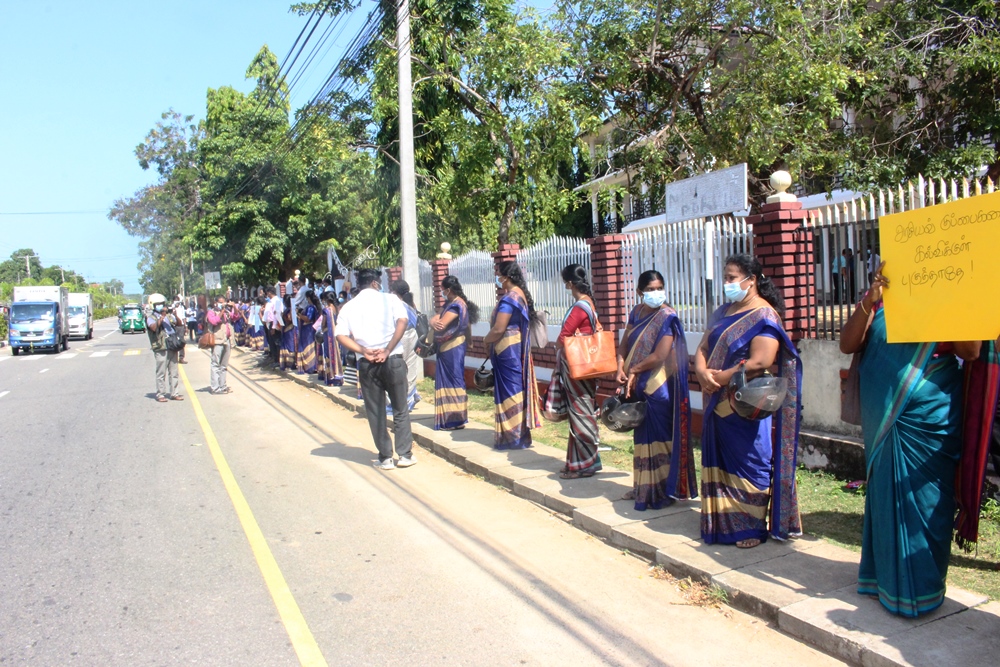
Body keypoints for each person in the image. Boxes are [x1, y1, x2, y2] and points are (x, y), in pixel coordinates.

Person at [840, 263, 983, 617]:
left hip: (931, 415)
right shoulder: (883, 300)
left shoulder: (951, 297)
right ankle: (883, 581)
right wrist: (869, 301)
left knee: (927, 498)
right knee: (886, 494)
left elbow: (971, 352)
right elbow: (847, 343)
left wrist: (949, 304)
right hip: (884, 416)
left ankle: (923, 588)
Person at [695, 254, 802, 548]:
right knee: (721, 460)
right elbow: (703, 347)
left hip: (745, 403)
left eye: (732, 278)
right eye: (726, 277)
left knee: (750, 461)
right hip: (717, 399)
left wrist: (721, 377)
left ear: (751, 281)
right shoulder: (723, 311)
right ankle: (722, 523)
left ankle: (751, 527)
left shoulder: (764, 316)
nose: (727, 283)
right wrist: (702, 370)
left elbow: (760, 360)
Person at [614, 270, 696, 508]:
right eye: (650, 289)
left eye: (659, 287)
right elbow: (624, 345)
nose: (655, 293)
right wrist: (620, 366)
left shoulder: (667, 316)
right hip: (636, 384)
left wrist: (634, 369)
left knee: (659, 438)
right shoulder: (636, 312)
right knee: (641, 437)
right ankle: (642, 486)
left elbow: (660, 355)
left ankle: (661, 490)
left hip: (658, 387)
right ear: (639, 292)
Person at [335, 268, 416, 470]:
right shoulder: (391, 300)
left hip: (367, 362)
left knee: (376, 411)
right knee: (400, 408)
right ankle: (405, 455)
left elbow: (341, 336)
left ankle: (385, 457)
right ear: (374, 283)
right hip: (393, 359)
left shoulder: (348, 307)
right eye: (379, 282)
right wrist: (388, 349)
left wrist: (363, 350)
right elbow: (403, 322)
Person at [549, 264, 605, 479]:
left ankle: (586, 464)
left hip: (577, 368)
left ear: (570, 283)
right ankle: (578, 462)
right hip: (587, 367)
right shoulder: (589, 303)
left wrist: (556, 349)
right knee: (581, 412)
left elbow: (564, 336)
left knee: (581, 414)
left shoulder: (580, 306)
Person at [483, 260, 541, 450]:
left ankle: (513, 436)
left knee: (511, 390)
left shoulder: (510, 299)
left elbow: (499, 328)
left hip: (507, 348)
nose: (497, 279)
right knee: (516, 387)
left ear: (506, 277)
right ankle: (519, 435)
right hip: (516, 347)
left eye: (499, 275)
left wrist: (486, 340)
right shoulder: (520, 295)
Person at [430, 275, 478, 431]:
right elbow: (437, 318)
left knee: (453, 380)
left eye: (443, 290)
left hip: (452, 348)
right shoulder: (451, 303)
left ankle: (454, 419)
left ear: (448, 290)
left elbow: (441, 325)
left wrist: (434, 322)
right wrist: (432, 320)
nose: (442, 292)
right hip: (450, 347)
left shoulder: (457, 305)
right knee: (451, 380)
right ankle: (452, 419)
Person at [389, 280, 421, 410]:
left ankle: (402, 400)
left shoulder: (396, 305)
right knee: (411, 367)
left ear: (395, 292)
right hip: (413, 336)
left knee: (398, 369)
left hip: (400, 336)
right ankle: (411, 396)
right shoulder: (411, 304)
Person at [146, 293, 183, 403]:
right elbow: (153, 327)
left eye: (163, 304)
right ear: (153, 305)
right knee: (161, 372)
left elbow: (179, 323)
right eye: (159, 305)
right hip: (161, 347)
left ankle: (174, 393)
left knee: (174, 372)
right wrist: (161, 318)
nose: (162, 306)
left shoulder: (168, 316)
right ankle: (160, 394)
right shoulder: (150, 318)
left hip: (172, 346)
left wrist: (175, 315)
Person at [205, 296, 235, 395]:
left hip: (226, 340)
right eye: (220, 302)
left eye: (224, 302)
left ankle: (223, 385)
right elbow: (214, 321)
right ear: (215, 302)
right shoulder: (211, 312)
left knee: (224, 365)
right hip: (217, 341)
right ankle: (215, 387)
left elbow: (235, 317)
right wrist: (221, 312)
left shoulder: (226, 312)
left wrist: (234, 307)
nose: (222, 304)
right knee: (215, 364)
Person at [317, 291, 344, 386]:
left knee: (328, 355)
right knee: (336, 354)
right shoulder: (336, 308)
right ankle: (338, 376)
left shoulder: (326, 310)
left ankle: (330, 378)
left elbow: (323, 323)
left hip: (328, 334)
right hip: (337, 335)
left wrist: (322, 329)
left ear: (326, 299)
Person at [297, 290, 321, 374]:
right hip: (307, 330)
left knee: (308, 347)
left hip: (308, 330)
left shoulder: (311, 307)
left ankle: (310, 367)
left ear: (307, 298)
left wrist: (299, 315)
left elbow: (308, 318)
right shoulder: (312, 307)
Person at [279, 295, 297, 371]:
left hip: (288, 329)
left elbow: (288, 318)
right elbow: (290, 318)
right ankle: (290, 364)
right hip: (290, 329)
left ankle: (287, 364)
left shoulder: (287, 310)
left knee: (288, 346)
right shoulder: (290, 310)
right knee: (290, 346)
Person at [172, 295, 188, 363]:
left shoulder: (181, 308)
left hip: (181, 326)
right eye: (175, 301)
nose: (177, 303)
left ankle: (181, 357)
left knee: (181, 342)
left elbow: (184, 317)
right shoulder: (171, 308)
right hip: (174, 326)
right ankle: (174, 357)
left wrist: (185, 326)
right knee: (174, 341)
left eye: (177, 301)